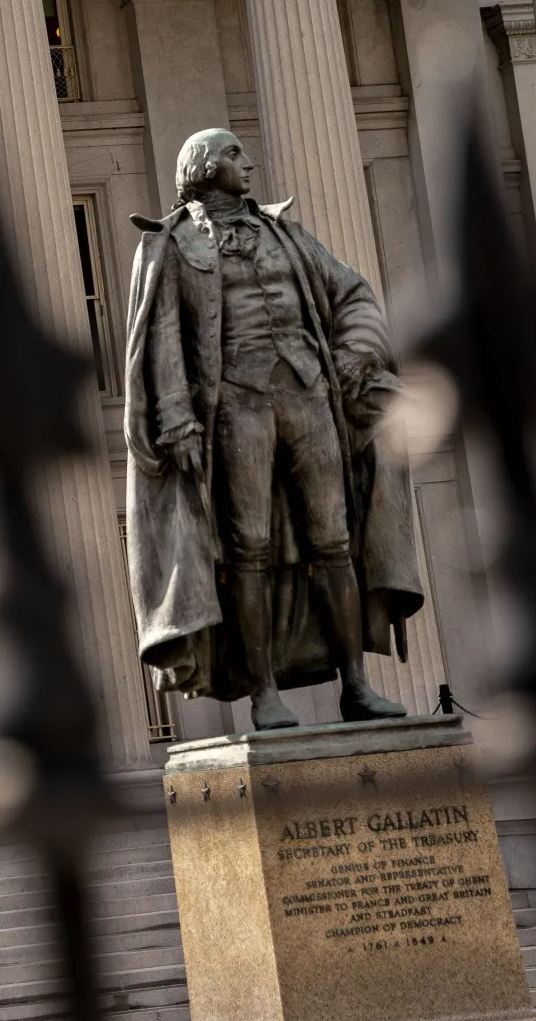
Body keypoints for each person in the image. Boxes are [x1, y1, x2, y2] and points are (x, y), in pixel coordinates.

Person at [124, 128, 420, 729]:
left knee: (334, 541)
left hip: (311, 397)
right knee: (248, 550)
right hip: (236, 407)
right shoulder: (171, 245)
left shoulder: (288, 236)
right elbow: (159, 340)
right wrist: (177, 418)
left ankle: (357, 685)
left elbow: (356, 297)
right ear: (205, 168)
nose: (249, 163)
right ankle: (263, 693)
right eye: (235, 155)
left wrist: (351, 356)